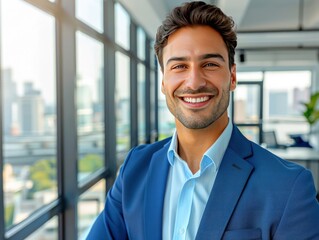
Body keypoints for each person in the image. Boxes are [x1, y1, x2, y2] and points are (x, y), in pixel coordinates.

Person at [87, 1, 319, 239]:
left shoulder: (288, 187)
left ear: (232, 76)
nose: (194, 82)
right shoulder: (135, 168)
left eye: (209, 64)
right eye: (179, 66)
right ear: (163, 82)